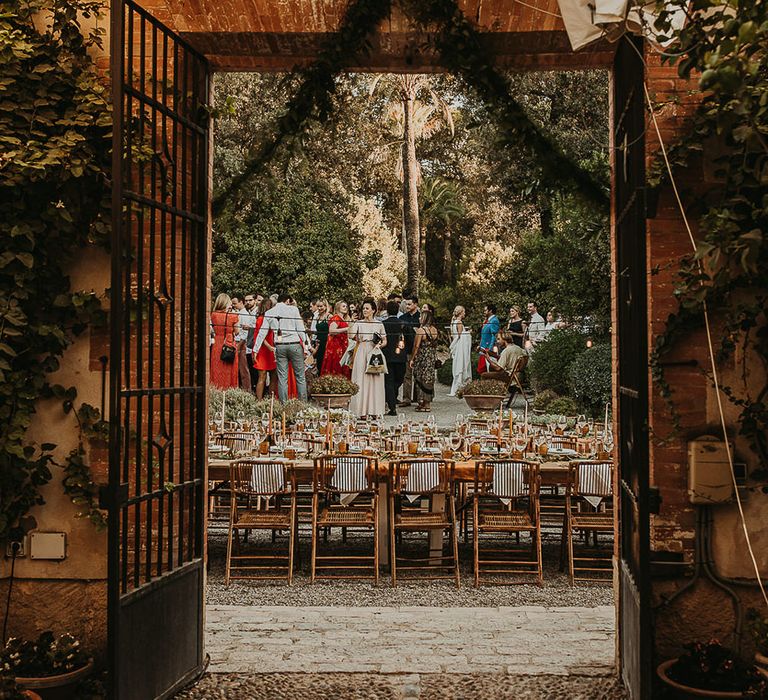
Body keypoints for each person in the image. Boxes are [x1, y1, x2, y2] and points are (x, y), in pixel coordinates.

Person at [253, 293, 308, 402]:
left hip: (280, 346)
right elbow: (300, 329)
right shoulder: (293, 310)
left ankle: (284, 406)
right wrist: (307, 346)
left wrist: (256, 349)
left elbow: (262, 333)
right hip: (294, 344)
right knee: (300, 377)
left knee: (282, 379)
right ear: (287, 300)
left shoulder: (269, 312)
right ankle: (303, 405)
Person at [348, 298, 387, 419]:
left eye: (367, 308)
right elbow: (350, 336)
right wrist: (352, 323)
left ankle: (375, 410)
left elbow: (385, 340)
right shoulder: (359, 323)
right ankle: (361, 411)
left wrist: (379, 345)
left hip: (374, 351)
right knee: (361, 380)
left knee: (375, 380)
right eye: (363, 308)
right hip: (362, 350)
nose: (365, 310)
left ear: (373, 310)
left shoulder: (379, 324)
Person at [480, 331, 526, 406]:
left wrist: (488, 359)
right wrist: (490, 353)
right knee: (492, 370)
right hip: (518, 375)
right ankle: (495, 395)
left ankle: (489, 398)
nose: (497, 342)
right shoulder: (518, 348)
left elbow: (498, 368)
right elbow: (503, 358)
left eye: (498, 339)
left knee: (484, 375)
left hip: (510, 376)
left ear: (504, 339)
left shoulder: (506, 351)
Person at [381, 300, 407, 416]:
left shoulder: (383, 324)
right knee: (398, 379)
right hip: (400, 356)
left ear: (387, 311)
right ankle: (392, 404)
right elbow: (409, 340)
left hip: (387, 355)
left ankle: (391, 399)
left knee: (390, 381)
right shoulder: (403, 323)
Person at [411, 309, 439, 412]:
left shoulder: (420, 330)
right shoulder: (435, 330)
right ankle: (428, 404)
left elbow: (416, 346)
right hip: (431, 358)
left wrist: (412, 358)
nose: (419, 318)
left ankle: (421, 402)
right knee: (429, 379)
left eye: (420, 317)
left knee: (420, 379)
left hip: (422, 358)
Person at [210, 293, 240, 389]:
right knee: (230, 370)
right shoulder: (233, 316)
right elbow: (237, 331)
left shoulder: (213, 315)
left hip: (217, 343)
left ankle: (216, 388)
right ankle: (229, 389)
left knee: (216, 368)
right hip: (229, 342)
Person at [398, 295, 421, 407]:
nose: (407, 306)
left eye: (409, 304)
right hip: (406, 349)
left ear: (415, 304)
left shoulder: (420, 317)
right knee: (407, 375)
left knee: (418, 375)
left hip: (419, 349)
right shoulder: (403, 317)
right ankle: (406, 398)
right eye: (406, 304)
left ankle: (419, 398)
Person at [252, 298, 277, 399]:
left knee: (265, 377)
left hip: (263, 350)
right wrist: (270, 347)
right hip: (265, 349)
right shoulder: (264, 319)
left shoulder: (260, 318)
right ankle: (266, 400)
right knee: (270, 377)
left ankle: (262, 400)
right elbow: (260, 336)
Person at [321, 301, 352, 377]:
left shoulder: (342, 318)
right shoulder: (336, 317)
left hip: (342, 346)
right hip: (336, 348)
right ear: (338, 307)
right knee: (336, 367)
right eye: (343, 306)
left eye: (346, 306)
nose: (346, 308)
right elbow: (331, 331)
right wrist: (347, 329)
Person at [449, 305, 472, 396]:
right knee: (461, 364)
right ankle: (460, 387)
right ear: (460, 313)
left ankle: (460, 386)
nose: (465, 313)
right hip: (460, 347)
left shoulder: (455, 322)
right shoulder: (459, 322)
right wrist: (468, 332)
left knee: (460, 364)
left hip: (459, 346)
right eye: (464, 312)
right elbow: (460, 335)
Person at [240, 293, 259, 392]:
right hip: (247, 345)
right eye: (246, 300)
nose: (247, 302)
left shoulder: (258, 312)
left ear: (255, 300)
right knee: (250, 370)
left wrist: (250, 327)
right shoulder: (247, 313)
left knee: (255, 371)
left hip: (254, 346)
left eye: (250, 300)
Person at [478, 303, 500, 374]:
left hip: (488, 349)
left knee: (488, 368)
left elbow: (494, 335)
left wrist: (489, 349)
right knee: (482, 368)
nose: (484, 312)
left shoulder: (494, 321)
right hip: (483, 347)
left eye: (485, 310)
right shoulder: (487, 320)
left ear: (490, 311)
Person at [313, 299, 330, 372]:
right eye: (318, 306)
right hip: (318, 343)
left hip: (326, 342)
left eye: (321, 306)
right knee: (319, 362)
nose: (319, 308)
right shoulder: (317, 317)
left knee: (325, 362)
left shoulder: (329, 317)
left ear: (326, 306)